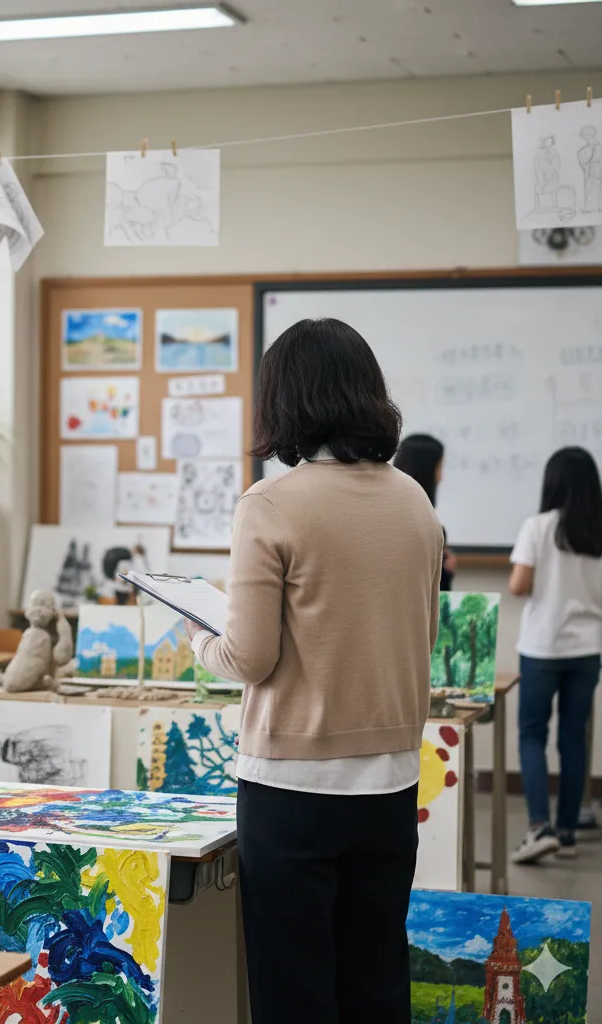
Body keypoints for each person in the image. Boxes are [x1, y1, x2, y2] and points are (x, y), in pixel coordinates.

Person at [190, 318, 442, 1024]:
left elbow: (250, 657)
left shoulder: (270, 503)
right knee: (376, 982)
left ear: (284, 402)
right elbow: (419, 636)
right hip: (391, 781)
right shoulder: (415, 500)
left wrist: (196, 635)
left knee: (295, 991)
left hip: (293, 790)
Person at [510, 447, 602, 864]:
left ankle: (538, 827)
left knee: (532, 734)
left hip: (542, 646)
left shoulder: (538, 527)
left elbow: (518, 585)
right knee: (573, 738)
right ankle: (566, 830)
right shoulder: (598, 531)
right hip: (587, 649)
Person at [394, 433, 456, 590]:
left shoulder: (376, 521)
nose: (441, 477)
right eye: (439, 467)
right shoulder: (429, 529)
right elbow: (434, 594)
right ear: (427, 471)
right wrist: (446, 572)